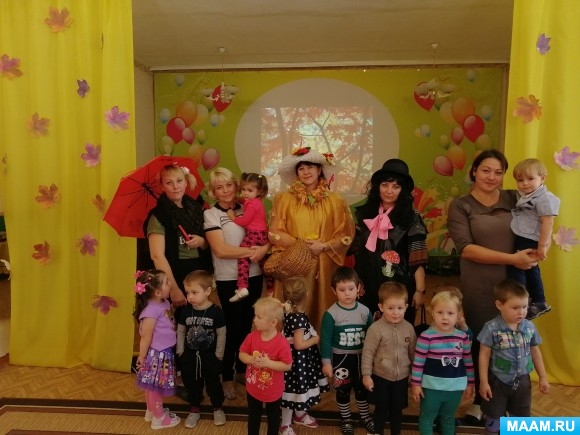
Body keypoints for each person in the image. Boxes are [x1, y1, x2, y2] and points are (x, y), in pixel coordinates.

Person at [447, 149, 538, 422]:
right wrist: (512, 258)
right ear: (474, 171)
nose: (491, 177)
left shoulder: (515, 197)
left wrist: (541, 245)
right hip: (480, 285)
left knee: (514, 341)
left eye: (498, 172)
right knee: (483, 342)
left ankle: (511, 401)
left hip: (515, 283)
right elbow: (466, 249)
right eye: (485, 170)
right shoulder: (461, 205)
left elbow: (544, 210)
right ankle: (481, 401)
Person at [204, 167, 270, 401]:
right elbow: (221, 250)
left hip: (254, 276)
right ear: (213, 192)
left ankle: (242, 369)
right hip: (228, 279)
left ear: (236, 186)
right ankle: (227, 376)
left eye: (229, 185)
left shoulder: (248, 206)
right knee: (232, 328)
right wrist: (252, 252)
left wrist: (264, 249)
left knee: (248, 326)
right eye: (219, 187)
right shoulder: (211, 214)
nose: (225, 191)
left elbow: (264, 236)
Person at [270, 147, 354, 330]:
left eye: (310, 167)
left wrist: (324, 246)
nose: (306, 172)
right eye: (301, 168)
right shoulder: (283, 199)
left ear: (319, 169)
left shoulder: (336, 201)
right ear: (296, 173)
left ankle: (320, 343)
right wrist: (301, 246)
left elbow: (346, 233)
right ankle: (289, 344)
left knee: (321, 305)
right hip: (294, 263)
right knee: (292, 307)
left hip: (323, 265)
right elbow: (275, 231)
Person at [352, 158, 428, 325]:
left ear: (403, 190)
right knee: (368, 331)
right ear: (377, 187)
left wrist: (420, 290)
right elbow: (356, 250)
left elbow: (418, 258)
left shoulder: (412, 219)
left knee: (397, 333)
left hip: (398, 288)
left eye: (396, 187)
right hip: (366, 285)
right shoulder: (364, 213)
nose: (389, 191)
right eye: (385, 185)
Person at [477, 279, 550, 435]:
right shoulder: (491, 328)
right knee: (494, 421)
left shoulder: (529, 327)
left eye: (524, 307)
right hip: (498, 382)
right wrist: (483, 382)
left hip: (523, 382)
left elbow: (535, 351)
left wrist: (543, 377)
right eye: (515, 308)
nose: (521, 312)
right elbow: (483, 355)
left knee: (520, 421)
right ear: (499, 305)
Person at [144, 164, 211, 309]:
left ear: (186, 182)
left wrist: (201, 241)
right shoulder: (158, 216)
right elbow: (157, 256)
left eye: (179, 181)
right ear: (162, 186)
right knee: (182, 319)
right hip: (176, 273)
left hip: (199, 272)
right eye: (169, 182)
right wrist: (173, 289)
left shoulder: (195, 209)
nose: (176, 187)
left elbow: (207, 244)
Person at [410, 291, 475, 435]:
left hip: (455, 388)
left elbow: (468, 362)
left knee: (448, 417)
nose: (445, 317)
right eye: (440, 312)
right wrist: (415, 384)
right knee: (427, 417)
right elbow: (418, 363)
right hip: (431, 387)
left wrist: (470, 384)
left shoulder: (463, 337)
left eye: (450, 313)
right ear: (432, 313)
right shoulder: (426, 337)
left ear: (458, 315)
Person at [320, 267, 375, 435]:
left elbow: (373, 336)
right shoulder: (331, 314)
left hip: (362, 359)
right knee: (343, 390)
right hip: (340, 359)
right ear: (334, 291)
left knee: (361, 389)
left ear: (358, 288)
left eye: (351, 288)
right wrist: (326, 363)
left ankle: (365, 416)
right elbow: (325, 340)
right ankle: (346, 418)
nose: (347, 293)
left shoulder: (365, 311)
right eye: (342, 290)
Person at [361, 281, 417, 435]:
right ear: (381, 307)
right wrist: (366, 375)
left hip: (402, 378)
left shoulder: (409, 328)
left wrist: (413, 373)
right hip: (381, 377)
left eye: (400, 308)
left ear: (406, 307)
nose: (395, 312)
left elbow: (413, 353)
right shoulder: (375, 329)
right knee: (381, 409)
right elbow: (368, 353)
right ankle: (377, 432)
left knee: (397, 410)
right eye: (390, 308)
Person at [508, 158, 560, 319]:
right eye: (520, 180)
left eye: (530, 179)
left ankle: (521, 302)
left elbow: (548, 222)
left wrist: (542, 246)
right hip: (525, 235)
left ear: (542, 178)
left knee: (518, 268)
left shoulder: (543, 197)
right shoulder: (528, 195)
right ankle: (536, 300)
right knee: (530, 269)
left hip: (530, 238)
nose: (525, 183)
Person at [279, 276, 330, 435]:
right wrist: (315, 340)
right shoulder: (298, 318)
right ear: (307, 294)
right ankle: (285, 424)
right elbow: (299, 344)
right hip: (297, 362)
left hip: (300, 360)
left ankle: (300, 415)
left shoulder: (289, 312)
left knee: (300, 388)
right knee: (292, 391)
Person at [176, 270, 226, 428]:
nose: (190, 296)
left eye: (194, 292)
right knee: (192, 383)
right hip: (189, 356)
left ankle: (217, 408)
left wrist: (219, 355)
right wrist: (180, 351)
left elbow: (222, 333)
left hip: (210, 356)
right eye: (187, 293)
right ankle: (194, 409)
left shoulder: (216, 311)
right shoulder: (186, 310)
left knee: (213, 383)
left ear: (207, 291)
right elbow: (180, 331)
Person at [133, 269, 181, 430]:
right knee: (156, 388)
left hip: (164, 353)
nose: (170, 284)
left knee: (151, 386)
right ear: (158, 292)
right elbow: (145, 337)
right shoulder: (150, 311)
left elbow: (166, 318)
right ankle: (159, 418)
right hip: (158, 356)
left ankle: (151, 411)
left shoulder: (163, 302)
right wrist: (142, 356)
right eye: (167, 282)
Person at [239, 298, 293, 435]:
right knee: (253, 416)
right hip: (253, 387)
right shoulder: (251, 337)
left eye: (259, 317)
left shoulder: (282, 343)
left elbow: (287, 365)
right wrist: (251, 359)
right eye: (255, 316)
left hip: (273, 390)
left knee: (273, 419)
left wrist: (269, 364)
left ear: (273, 322)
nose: (254, 320)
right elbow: (242, 354)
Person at [226, 172, 269, 303]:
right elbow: (245, 201)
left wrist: (232, 217)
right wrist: (239, 199)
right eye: (243, 189)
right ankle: (271, 288)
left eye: (250, 190)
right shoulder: (256, 201)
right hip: (262, 235)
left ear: (259, 191)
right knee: (263, 263)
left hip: (254, 234)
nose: (245, 193)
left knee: (243, 257)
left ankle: (242, 287)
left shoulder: (251, 204)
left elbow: (244, 221)